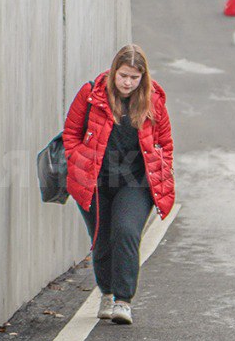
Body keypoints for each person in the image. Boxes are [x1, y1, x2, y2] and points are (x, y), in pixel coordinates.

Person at [63, 45, 175, 326]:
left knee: (125, 231)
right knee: (102, 239)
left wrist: (161, 168)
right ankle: (107, 292)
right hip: (95, 180)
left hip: (135, 182)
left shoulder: (153, 101)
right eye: (123, 76)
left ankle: (123, 301)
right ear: (114, 72)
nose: (127, 83)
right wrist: (78, 160)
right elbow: (71, 133)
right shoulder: (91, 94)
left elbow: (166, 142)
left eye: (134, 78)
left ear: (142, 78)